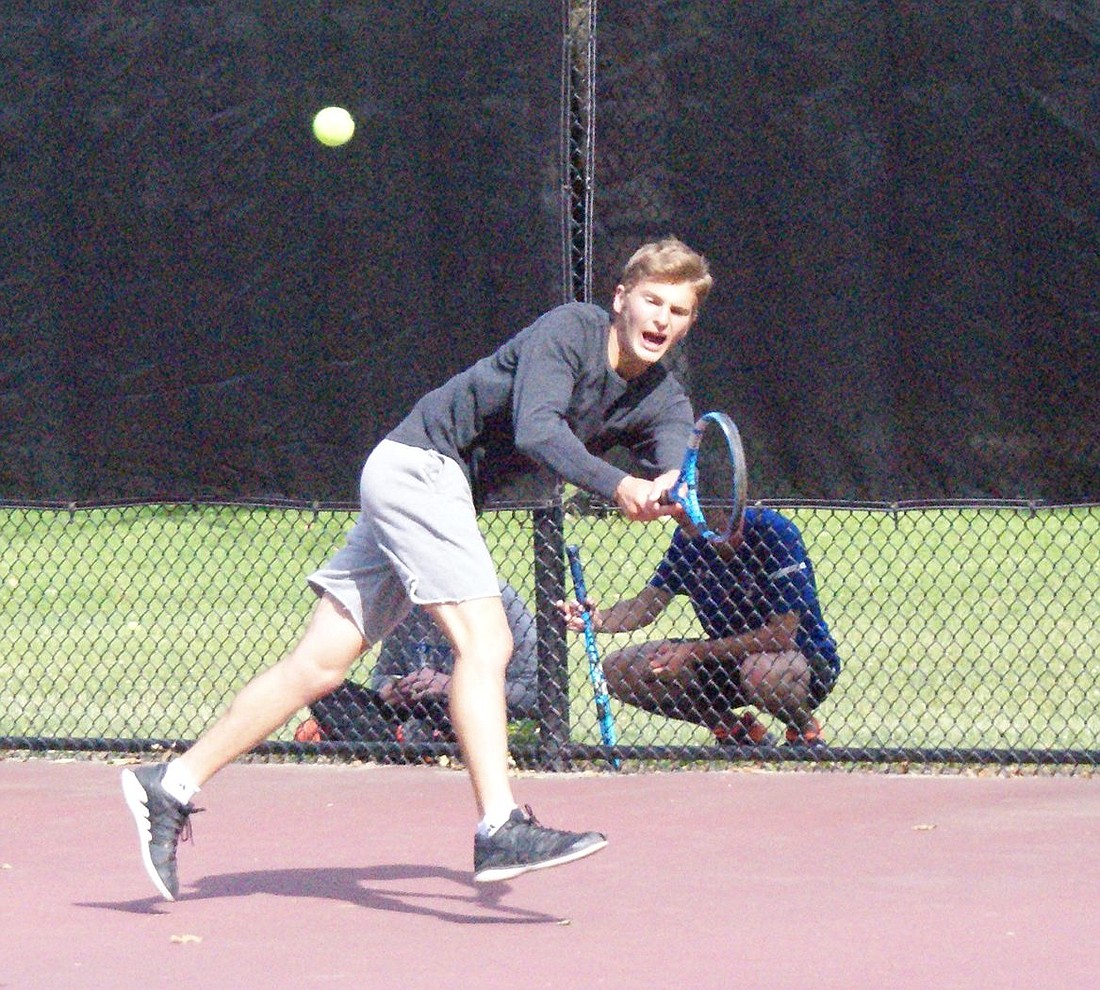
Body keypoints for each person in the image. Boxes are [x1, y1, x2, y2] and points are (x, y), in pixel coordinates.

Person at [121, 236, 713, 900]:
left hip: (422, 485)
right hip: (423, 468)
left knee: (319, 666)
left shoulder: (662, 396)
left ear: (689, 321)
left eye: (679, 311)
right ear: (621, 300)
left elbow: (672, 456)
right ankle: (499, 826)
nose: (662, 320)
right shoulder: (571, 330)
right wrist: (617, 487)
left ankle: (169, 783)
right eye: (652, 301)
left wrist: (666, 489)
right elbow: (539, 430)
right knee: (488, 643)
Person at [558, 504, 840, 748]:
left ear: (734, 510)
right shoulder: (688, 540)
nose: (688, 522)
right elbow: (645, 606)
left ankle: (804, 728)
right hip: (724, 659)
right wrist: (596, 620)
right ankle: (738, 732)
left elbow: (782, 634)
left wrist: (694, 652)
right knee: (618, 669)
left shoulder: (775, 532)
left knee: (759, 671)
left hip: (799, 660)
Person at [293, 580, 538, 744]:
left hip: (463, 707)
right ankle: (404, 741)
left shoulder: (499, 600)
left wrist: (451, 686)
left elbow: (533, 692)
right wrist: (392, 688)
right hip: (410, 708)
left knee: (448, 709)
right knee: (327, 693)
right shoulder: (409, 599)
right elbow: (384, 674)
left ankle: (399, 742)